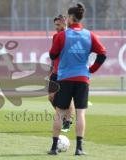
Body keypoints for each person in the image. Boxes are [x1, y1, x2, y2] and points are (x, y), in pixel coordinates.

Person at [48, 3, 106, 155]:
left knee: (59, 112)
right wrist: (91, 70)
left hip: (65, 78)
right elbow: (103, 54)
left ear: (71, 18)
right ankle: (79, 148)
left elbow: (52, 55)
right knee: (80, 114)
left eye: (67, 17)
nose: (66, 19)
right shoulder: (89, 35)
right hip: (82, 78)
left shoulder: (62, 36)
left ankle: (54, 148)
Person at [48, 14, 74, 132]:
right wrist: (51, 69)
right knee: (51, 97)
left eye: (58, 25)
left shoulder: (72, 36)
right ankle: (64, 117)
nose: (56, 27)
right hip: (56, 71)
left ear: (65, 23)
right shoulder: (55, 37)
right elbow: (54, 55)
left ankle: (67, 121)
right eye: (55, 25)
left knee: (67, 98)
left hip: (67, 72)